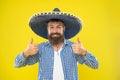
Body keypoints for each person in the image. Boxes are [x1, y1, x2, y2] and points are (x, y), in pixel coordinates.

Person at [14, 8, 99, 80]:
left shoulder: (74, 48)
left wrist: (84, 52)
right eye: (51, 27)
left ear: (64, 28)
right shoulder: (40, 49)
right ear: (47, 29)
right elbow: (17, 64)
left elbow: (95, 65)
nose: (55, 31)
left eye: (58, 27)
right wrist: (26, 53)